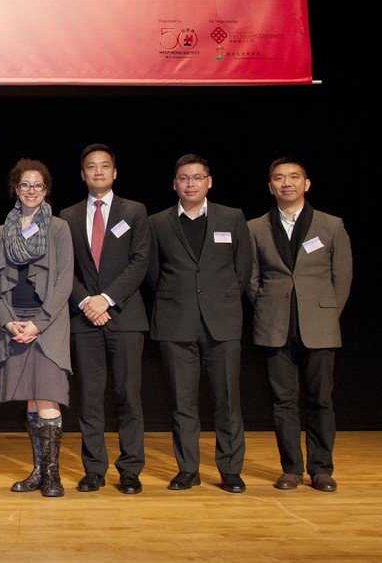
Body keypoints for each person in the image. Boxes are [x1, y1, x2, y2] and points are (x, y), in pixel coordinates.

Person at [147, 154, 252, 493]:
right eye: (183, 178)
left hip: (221, 323)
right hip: (176, 323)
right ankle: (188, 469)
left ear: (209, 181)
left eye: (197, 177)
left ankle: (230, 470)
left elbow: (242, 270)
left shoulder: (232, 218)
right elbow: (153, 273)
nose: (190, 183)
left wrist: (219, 301)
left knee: (228, 401)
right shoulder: (158, 222)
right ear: (174, 183)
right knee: (183, 403)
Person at [247, 157, 352, 492]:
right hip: (275, 326)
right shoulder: (255, 227)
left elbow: (342, 278)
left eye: (293, 177)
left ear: (306, 184)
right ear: (270, 186)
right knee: (283, 401)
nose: (286, 182)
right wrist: (266, 306)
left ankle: (321, 469)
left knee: (321, 399)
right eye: (279, 178)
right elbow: (251, 278)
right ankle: (291, 468)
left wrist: (325, 314)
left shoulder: (330, 225)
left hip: (319, 326)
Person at [58, 144, 149, 495]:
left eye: (105, 166)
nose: (98, 172)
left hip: (124, 317)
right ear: (82, 174)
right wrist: (86, 301)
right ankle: (94, 469)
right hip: (84, 320)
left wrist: (106, 299)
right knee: (90, 397)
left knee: (129, 396)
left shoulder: (135, 211)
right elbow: (65, 268)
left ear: (115, 173)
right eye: (91, 167)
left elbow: (139, 261)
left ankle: (130, 470)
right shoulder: (67, 215)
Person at [0, 159, 73, 497]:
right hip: (15, 321)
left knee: (48, 394)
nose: (31, 190)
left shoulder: (58, 228)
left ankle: (53, 476)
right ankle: (38, 471)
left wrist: (37, 324)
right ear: (16, 188)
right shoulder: (1, 232)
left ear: (46, 189)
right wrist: (9, 322)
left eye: (37, 185)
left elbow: (64, 281)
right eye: (25, 185)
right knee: (30, 398)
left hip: (48, 323)